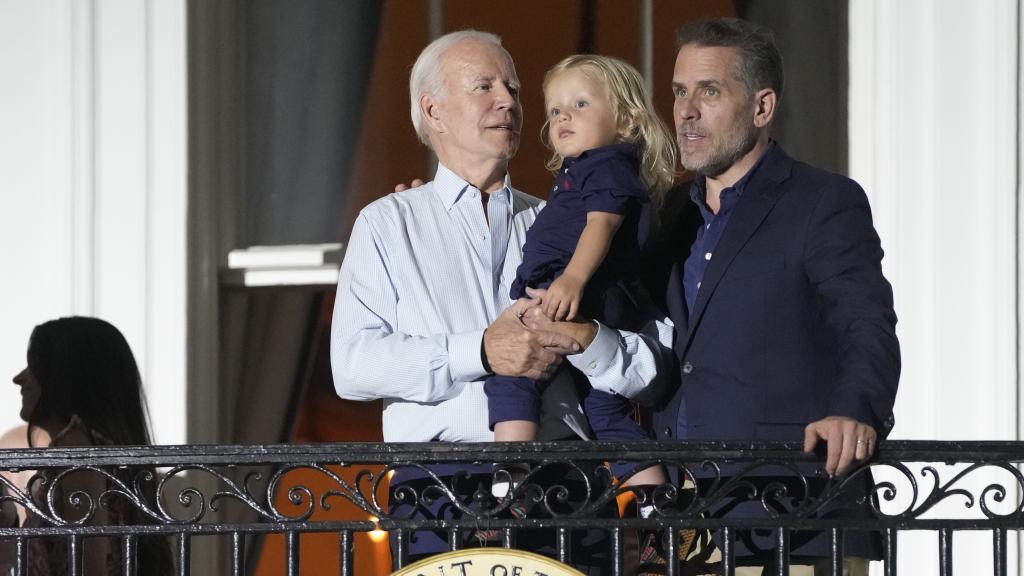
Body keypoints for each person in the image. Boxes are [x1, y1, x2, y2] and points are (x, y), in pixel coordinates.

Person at [330, 30, 673, 574]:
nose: (509, 102)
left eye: (512, 88)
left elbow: (654, 370)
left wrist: (591, 341)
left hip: (570, 486)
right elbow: (351, 367)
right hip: (440, 492)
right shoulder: (388, 223)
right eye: (484, 86)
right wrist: (483, 352)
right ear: (433, 110)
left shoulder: (571, 222)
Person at [642, 17, 900, 575]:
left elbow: (865, 323)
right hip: (677, 525)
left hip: (789, 515)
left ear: (762, 108)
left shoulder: (823, 202)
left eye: (708, 92)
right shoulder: (665, 215)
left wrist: (854, 412)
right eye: (680, 91)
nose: (685, 111)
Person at [0, 317, 174, 575]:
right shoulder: (95, 448)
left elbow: (90, 562)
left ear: (64, 376)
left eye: (34, 365)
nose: (19, 379)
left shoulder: (77, 445)